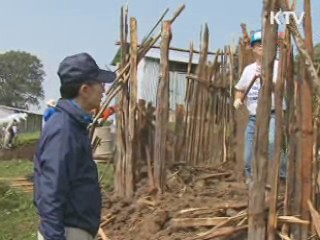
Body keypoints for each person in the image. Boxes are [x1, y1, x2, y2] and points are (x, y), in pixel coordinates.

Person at [34, 52, 116, 240]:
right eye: (100, 84)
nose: (104, 90)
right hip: (66, 232)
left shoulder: (73, 125)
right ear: (85, 89)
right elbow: (51, 192)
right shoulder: (64, 130)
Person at [233, 30, 286, 184]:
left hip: (273, 114)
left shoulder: (278, 66)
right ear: (253, 48)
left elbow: (285, 85)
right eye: (258, 44)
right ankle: (251, 181)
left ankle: (282, 178)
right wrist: (238, 99)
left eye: (265, 44)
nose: (262, 47)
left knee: (271, 144)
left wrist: (270, 81)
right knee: (248, 154)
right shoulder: (248, 70)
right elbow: (240, 88)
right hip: (254, 117)